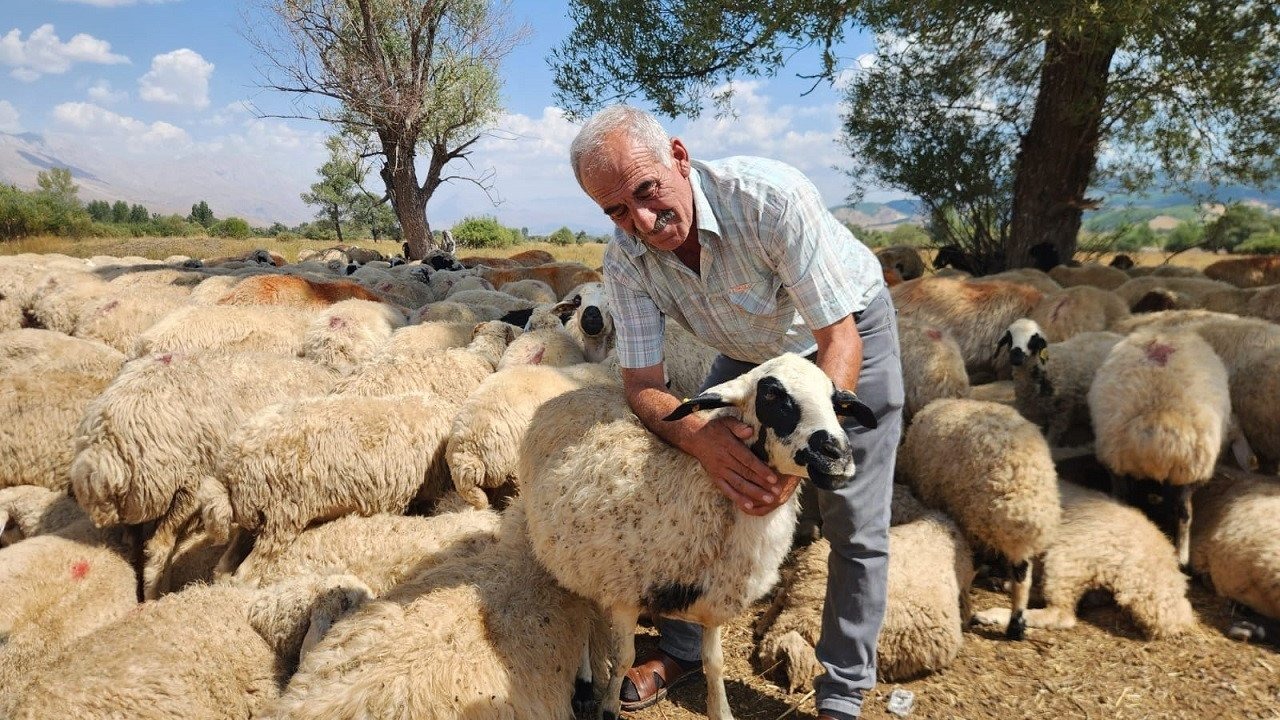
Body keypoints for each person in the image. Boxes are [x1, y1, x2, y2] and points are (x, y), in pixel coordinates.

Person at [569, 105, 904, 720]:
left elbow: (838, 338)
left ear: (678, 156)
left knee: (853, 521)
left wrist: (795, 458)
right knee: (696, 493)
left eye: (646, 191)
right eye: (615, 210)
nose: (639, 220)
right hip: (750, 358)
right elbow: (642, 384)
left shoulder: (768, 201)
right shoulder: (625, 261)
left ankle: (841, 692)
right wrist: (701, 439)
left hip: (844, 335)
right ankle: (683, 648)